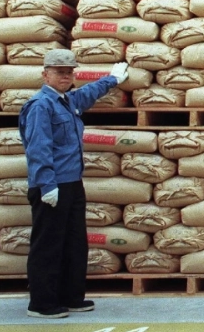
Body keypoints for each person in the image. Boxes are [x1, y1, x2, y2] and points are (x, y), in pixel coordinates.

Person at [19, 50, 129, 319]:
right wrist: (47, 185)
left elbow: (89, 93)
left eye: (69, 71)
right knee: (49, 244)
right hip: (52, 185)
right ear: (45, 74)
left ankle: (71, 296)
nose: (65, 76)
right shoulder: (40, 106)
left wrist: (112, 79)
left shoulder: (67, 101)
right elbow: (38, 148)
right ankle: (42, 303)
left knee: (74, 243)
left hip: (71, 183)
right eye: (59, 71)